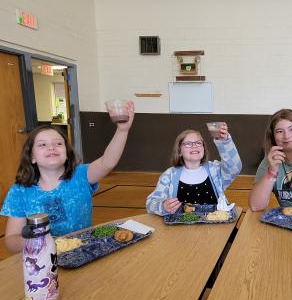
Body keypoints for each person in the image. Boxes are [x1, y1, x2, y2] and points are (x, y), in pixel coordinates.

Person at [1, 101, 135, 253]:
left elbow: (107, 162)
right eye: (42, 145)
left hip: (85, 251)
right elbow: (12, 239)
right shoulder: (20, 191)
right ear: (32, 157)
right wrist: (41, 245)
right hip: (43, 260)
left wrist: (122, 131)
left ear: (67, 153)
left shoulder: (81, 176)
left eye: (58, 143)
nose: (51, 147)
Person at [146, 123, 242, 215]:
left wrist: (224, 142)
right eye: (188, 143)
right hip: (181, 230)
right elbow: (150, 204)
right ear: (179, 151)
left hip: (215, 227)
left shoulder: (215, 171)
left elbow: (234, 167)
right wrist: (163, 206)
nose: (194, 146)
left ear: (203, 149)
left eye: (198, 143)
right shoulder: (169, 175)